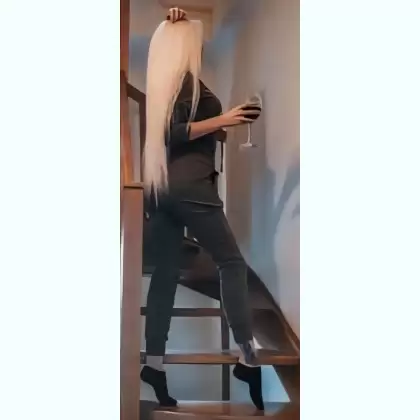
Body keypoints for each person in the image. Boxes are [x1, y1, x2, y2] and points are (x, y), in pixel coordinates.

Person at [140, 8, 264, 411]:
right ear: (183, 46)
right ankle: (248, 356)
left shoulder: (165, 82)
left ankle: (154, 365)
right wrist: (223, 118)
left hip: (162, 189)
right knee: (231, 263)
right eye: (196, 40)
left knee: (166, 274)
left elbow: (175, 131)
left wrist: (224, 125)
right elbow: (172, 132)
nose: (201, 46)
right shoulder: (184, 82)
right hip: (190, 186)